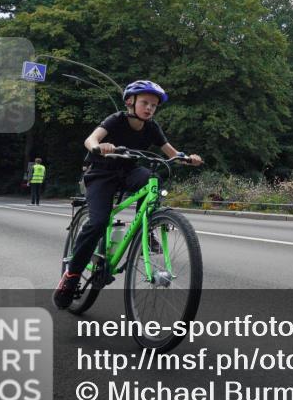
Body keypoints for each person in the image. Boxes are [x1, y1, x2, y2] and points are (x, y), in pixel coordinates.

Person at [53, 80, 203, 308]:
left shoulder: (152, 127)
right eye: (145, 102)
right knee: (99, 222)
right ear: (130, 102)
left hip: (128, 171)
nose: (150, 108)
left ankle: (148, 226)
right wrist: (100, 146)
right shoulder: (116, 120)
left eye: (154, 105)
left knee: (152, 179)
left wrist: (187, 158)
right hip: (101, 172)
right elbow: (90, 139)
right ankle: (71, 277)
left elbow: (171, 152)